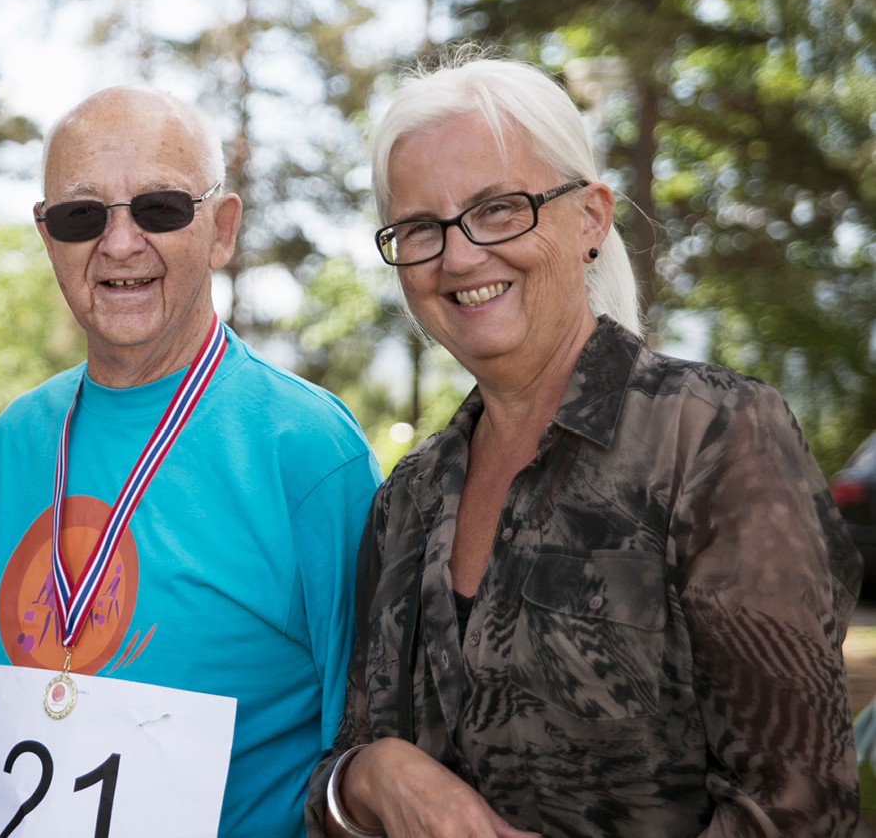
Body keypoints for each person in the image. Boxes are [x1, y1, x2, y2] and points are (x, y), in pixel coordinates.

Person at [309, 55, 862, 838]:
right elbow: (339, 771)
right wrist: (371, 775)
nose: (460, 256)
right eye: (420, 228)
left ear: (591, 220)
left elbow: (801, 813)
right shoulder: (409, 495)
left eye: (499, 209)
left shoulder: (714, 439)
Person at [0, 86, 382, 838]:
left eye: (161, 208)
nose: (119, 244)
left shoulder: (311, 454)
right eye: (83, 215)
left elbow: (370, 761)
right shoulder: (11, 444)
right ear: (49, 236)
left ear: (221, 230)